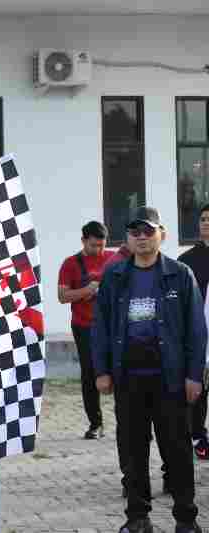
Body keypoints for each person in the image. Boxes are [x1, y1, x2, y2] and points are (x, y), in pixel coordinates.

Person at [92, 206, 206, 533]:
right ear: (128, 238)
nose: (142, 237)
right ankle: (138, 519)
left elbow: (197, 330)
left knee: (178, 452)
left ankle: (186, 519)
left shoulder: (180, 274)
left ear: (162, 234)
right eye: (135, 232)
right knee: (132, 454)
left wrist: (193, 376)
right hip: (128, 380)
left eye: (148, 231)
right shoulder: (115, 277)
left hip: (170, 381)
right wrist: (101, 370)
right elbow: (100, 326)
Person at [57, 221, 113, 439]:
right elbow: (62, 296)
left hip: (110, 325)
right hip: (84, 326)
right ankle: (96, 424)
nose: (98, 250)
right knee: (90, 374)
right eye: (93, 246)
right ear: (83, 241)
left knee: (121, 371)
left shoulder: (113, 258)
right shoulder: (70, 264)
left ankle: (129, 422)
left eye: (101, 245)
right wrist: (86, 290)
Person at [178, 203, 209, 459]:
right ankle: (198, 436)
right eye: (203, 219)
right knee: (198, 390)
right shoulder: (186, 261)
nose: (206, 223)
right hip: (198, 336)